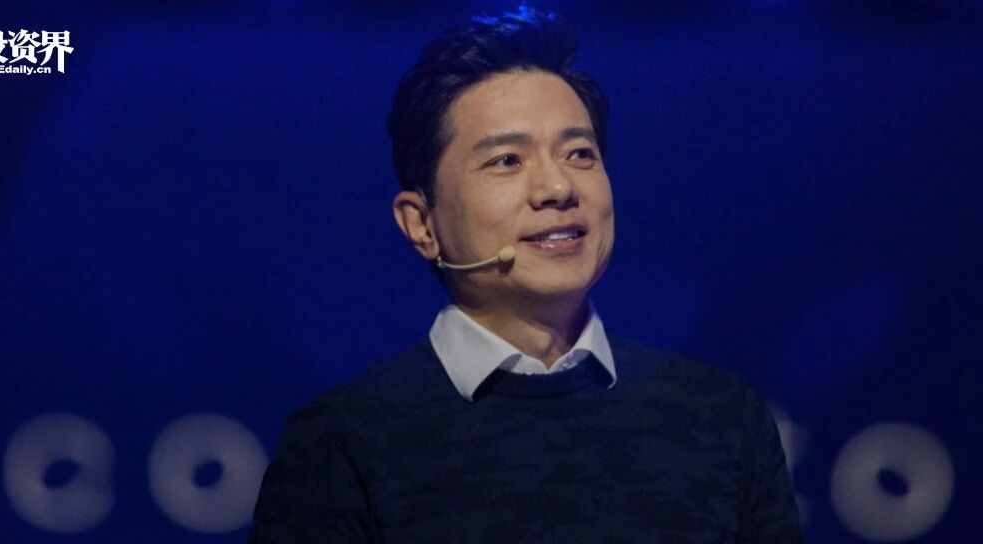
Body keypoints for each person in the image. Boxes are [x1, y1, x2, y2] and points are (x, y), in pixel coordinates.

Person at [248, 5, 804, 543]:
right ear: (421, 224)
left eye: (580, 153)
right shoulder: (341, 441)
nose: (558, 188)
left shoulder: (721, 416)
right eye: (507, 161)